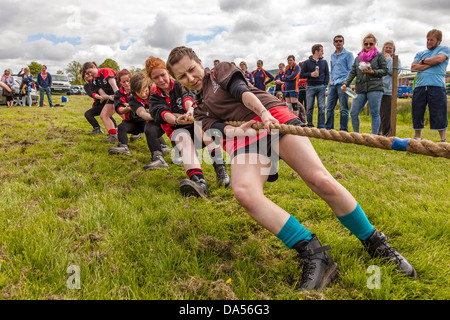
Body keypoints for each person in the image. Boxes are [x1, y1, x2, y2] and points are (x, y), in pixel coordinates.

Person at [166, 46, 417, 292]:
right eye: (182, 77)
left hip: (272, 116)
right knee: (245, 193)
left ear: (200, 63)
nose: (190, 78)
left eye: (191, 69)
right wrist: (238, 130)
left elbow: (241, 91)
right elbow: (220, 130)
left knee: (320, 180)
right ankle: (313, 252)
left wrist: (263, 114)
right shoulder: (198, 110)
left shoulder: (221, 71)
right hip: (245, 136)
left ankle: (375, 242)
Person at [145, 56, 230, 197]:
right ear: (151, 79)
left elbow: (187, 98)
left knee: (201, 124)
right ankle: (199, 182)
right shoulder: (154, 98)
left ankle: (220, 168)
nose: (161, 80)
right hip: (178, 131)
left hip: (196, 126)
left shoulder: (179, 84)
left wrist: (190, 110)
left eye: (162, 75)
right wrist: (177, 121)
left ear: (168, 73)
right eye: (156, 78)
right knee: (182, 137)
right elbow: (164, 114)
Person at [108, 70, 172, 169]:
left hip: (170, 118)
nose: (143, 94)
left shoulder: (158, 91)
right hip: (150, 119)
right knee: (148, 129)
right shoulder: (132, 99)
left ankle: (165, 146)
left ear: (149, 86)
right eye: (139, 92)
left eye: (145, 90)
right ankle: (158, 158)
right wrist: (153, 115)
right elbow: (143, 114)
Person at [341, 33, 388, 135]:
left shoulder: (379, 56)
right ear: (363, 44)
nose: (368, 46)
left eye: (371, 44)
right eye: (366, 44)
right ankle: (356, 135)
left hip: (375, 88)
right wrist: (346, 83)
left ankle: (374, 136)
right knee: (353, 112)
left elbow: (385, 70)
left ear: (375, 44)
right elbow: (353, 72)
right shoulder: (358, 58)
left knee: (375, 113)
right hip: (360, 88)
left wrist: (373, 72)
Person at [410, 29, 449, 142]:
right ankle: (417, 137)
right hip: (420, 87)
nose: (429, 42)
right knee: (417, 112)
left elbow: (440, 58)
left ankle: (443, 140)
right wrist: (431, 63)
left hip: (437, 86)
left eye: (432, 40)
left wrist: (423, 62)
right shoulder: (420, 53)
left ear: (439, 41)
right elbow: (413, 68)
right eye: (427, 39)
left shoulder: (444, 49)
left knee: (439, 112)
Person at [83, 62, 119, 143]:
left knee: (124, 114)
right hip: (112, 97)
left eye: (90, 71)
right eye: (87, 73)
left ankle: (136, 132)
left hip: (120, 95)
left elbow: (115, 86)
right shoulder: (95, 80)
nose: (90, 74)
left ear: (94, 66)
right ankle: (113, 136)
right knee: (104, 115)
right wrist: (109, 97)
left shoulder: (105, 71)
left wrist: (119, 98)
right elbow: (103, 94)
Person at [325, 35, 354, 132]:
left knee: (343, 108)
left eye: (340, 41)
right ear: (333, 43)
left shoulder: (348, 55)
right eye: (336, 41)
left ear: (343, 42)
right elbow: (332, 69)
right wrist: (330, 79)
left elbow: (351, 70)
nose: (338, 42)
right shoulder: (332, 55)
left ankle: (343, 130)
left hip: (343, 84)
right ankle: (329, 129)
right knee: (329, 107)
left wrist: (346, 82)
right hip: (333, 84)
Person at [300, 44, 329, 128]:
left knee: (321, 107)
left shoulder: (324, 62)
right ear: (316, 51)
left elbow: (327, 74)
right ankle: (310, 125)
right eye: (321, 51)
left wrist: (325, 84)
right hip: (310, 87)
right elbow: (302, 75)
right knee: (309, 107)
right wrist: (311, 74)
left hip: (321, 87)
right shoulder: (306, 62)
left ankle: (321, 126)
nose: (323, 52)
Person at [380, 40, 401, 136]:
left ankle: (386, 134)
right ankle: (376, 133)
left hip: (388, 91)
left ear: (394, 50)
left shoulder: (396, 60)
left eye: (390, 48)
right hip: (377, 89)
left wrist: (388, 60)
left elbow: (394, 72)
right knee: (377, 113)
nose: (388, 49)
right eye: (386, 47)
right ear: (383, 49)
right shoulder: (379, 58)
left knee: (386, 114)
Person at [281, 55, 306, 121]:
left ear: (294, 60)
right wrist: (287, 78)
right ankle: (290, 119)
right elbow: (283, 77)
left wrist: (287, 78)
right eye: (288, 60)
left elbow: (293, 76)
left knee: (294, 105)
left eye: (291, 60)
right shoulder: (287, 67)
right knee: (288, 106)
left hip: (294, 89)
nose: (289, 61)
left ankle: (295, 120)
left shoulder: (297, 67)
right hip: (287, 88)